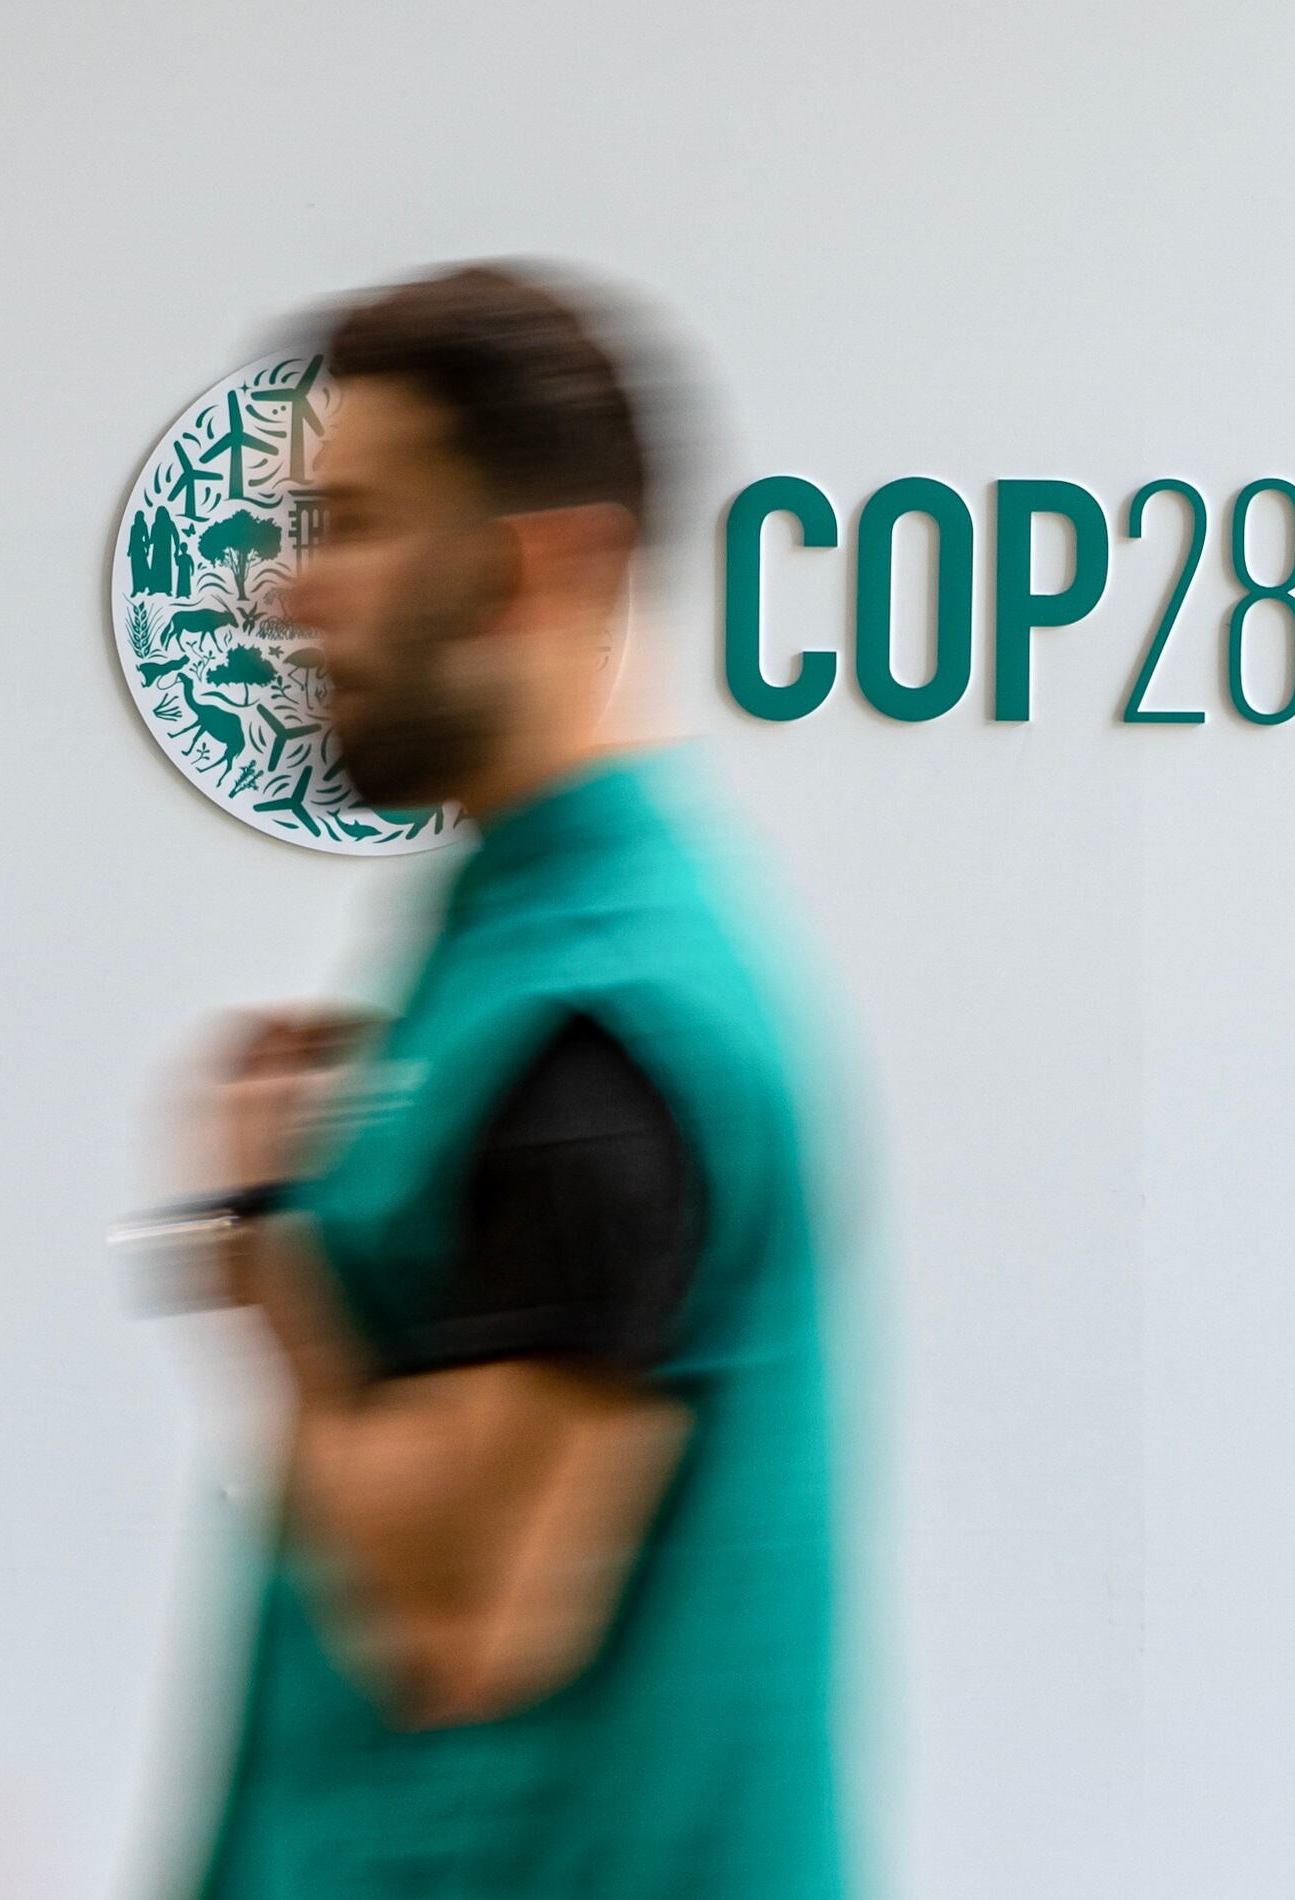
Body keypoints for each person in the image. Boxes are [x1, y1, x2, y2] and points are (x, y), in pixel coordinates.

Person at [169, 264, 843, 1900]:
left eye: (352, 529)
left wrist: (265, 1254)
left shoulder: (599, 1023)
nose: (286, 595)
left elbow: (464, 1618)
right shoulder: (506, 938)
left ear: (537, 569)